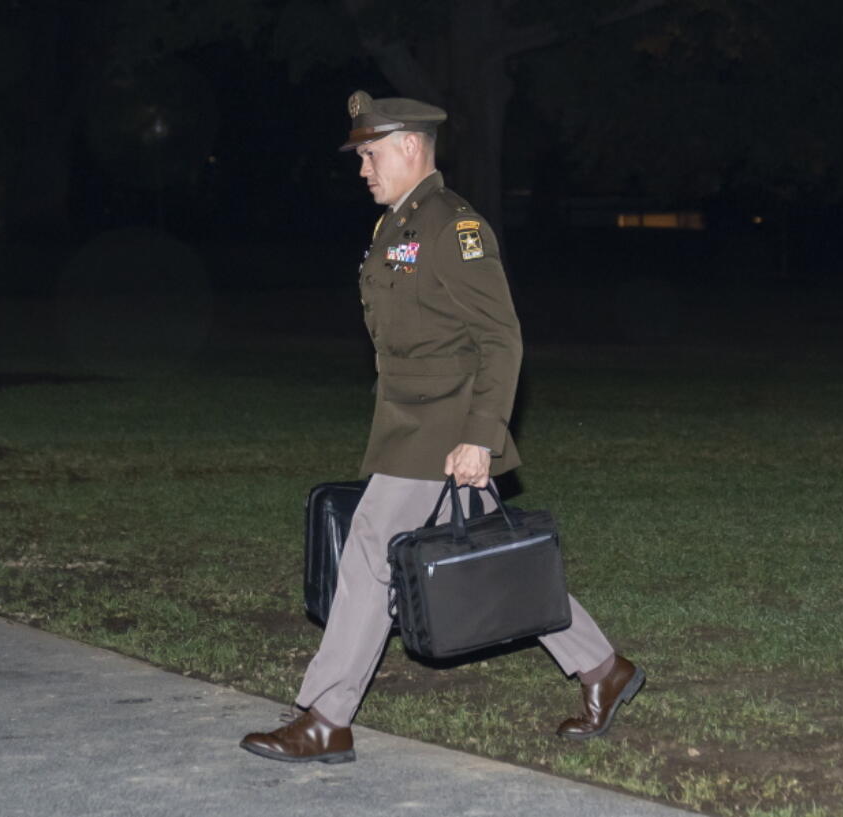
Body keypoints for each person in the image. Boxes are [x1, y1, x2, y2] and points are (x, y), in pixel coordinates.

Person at [240, 91, 644, 764]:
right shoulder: (398, 224)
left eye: (370, 153)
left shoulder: (455, 228)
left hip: (444, 426)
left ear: (408, 145)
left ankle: (326, 715)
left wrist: (481, 435)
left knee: (372, 547)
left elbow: (501, 338)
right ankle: (604, 667)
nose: (362, 167)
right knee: (496, 558)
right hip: (411, 423)